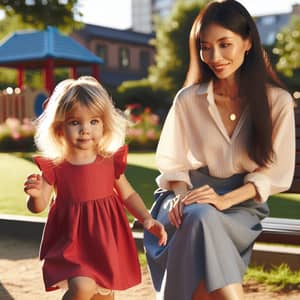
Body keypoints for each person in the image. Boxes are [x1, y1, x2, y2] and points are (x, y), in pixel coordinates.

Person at [144, 0, 295, 299]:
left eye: (225, 44)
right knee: (198, 216)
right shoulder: (188, 99)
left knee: (203, 220)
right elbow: (172, 164)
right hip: (184, 199)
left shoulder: (276, 101)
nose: (215, 56)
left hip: (241, 207)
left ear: (248, 42)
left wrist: (225, 201)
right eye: (206, 46)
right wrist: (181, 197)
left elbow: (274, 174)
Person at [23, 76, 167, 300]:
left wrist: (147, 218)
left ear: (105, 124)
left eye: (94, 122)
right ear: (60, 127)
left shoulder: (109, 160)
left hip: (105, 239)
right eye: (75, 122)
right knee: (81, 287)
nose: (85, 130)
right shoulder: (55, 165)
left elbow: (128, 194)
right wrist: (34, 196)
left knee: (103, 296)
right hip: (72, 240)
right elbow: (39, 205)